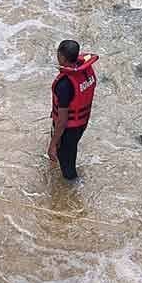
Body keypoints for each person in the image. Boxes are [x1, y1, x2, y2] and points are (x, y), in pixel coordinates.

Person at [48, 40, 98, 180]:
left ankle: (71, 193)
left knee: (68, 168)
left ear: (62, 57)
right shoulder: (86, 71)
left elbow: (62, 121)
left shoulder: (64, 84)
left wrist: (52, 144)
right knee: (70, 150)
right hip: (82, 123)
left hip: (68, 128)